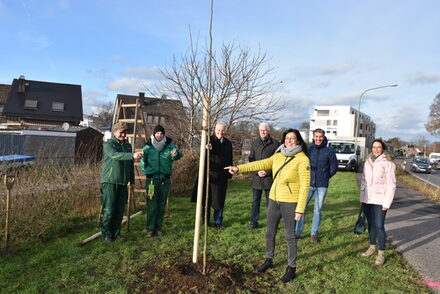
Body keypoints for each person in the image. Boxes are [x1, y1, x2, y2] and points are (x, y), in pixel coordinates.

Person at [225, 129, 310, 283]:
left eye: (293, 138)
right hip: (273, 199)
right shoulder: (278, 154)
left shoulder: (302, 159)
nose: (289, 141)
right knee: (269, 233)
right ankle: (268, 259)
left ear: (298, 141)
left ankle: (291, 268)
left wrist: (300, 209)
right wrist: (239, 168)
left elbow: (305, 186)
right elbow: (261, 163)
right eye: (287, 138)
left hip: (290, 202)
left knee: (290, 236)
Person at [100, 122, 143, 243]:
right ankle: (107, 234)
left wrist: (132, 180)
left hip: (123, 183)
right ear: (115, 132)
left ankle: (116, 232)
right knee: (109, 210)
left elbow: (130, 165)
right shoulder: (109, 144)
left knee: (119, 210)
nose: (123, 134)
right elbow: (114, 156)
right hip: (110, 181)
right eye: (121, 132)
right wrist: (132, 155)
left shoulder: (128, 146)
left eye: (125, 132)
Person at [295, 128, 338, 242]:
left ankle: (313, 234)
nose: (318, 139)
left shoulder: (329, 151)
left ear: (324, 137)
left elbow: (334, 167)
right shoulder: (309, 149)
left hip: (322, 185)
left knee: (317, 210)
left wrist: (325, 175)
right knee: (301, 208)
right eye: (316, 136)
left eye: (320, 137)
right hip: (308, 184)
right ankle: (297, 232)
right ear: (313, 137)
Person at [141, 125, 182, 237]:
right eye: (157, 133)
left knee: (161, 204)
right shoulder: (148, 147)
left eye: (161, 133)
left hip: (164, 180)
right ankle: (150, 229)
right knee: (151, 205)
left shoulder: (169, 146)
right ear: (154, 134)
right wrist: (147, 172)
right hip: (151, 181)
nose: (159, 135)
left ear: (164, 135)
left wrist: (176, 153)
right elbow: (143, 162)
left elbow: (178, 154)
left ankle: (158, 228)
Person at [360, 139, 396, 266]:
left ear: (383, 149)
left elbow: (391, 184)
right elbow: (363, 181)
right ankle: (372, 246)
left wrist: (387, 203)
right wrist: (362, 198)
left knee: (379, 226)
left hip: (380, 200)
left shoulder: (388, 163)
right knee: (371, 225)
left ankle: (381, 253)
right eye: (374, 147)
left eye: (378, 147)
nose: (376, 149)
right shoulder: (367, 162)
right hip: (368, 199)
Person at [247, 123, 280, 229]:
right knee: (255, 202)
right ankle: (253, 222)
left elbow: (278, 161)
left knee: (270, 203)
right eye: (261, 130)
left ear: (269, 131)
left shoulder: (275, 143)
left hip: (269, 178)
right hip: (257, 178)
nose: (263, 132)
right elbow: (251, 159)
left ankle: (271, 223)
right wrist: (257, 171)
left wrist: (268, 171)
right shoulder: (255, 143)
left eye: (265, 130)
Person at [203, 122, 233, 229]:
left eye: (223, 130)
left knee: (219, 200)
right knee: (206, 199)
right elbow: (202, 157)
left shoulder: (228, 143)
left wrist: (230, 173)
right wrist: (206, 149)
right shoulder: (208, 140)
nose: (221, 132)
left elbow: (230, 158)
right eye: (219, 130)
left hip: (222, 176)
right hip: (210, 175)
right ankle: (204, 221)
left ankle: (218, 222)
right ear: (215, 130)